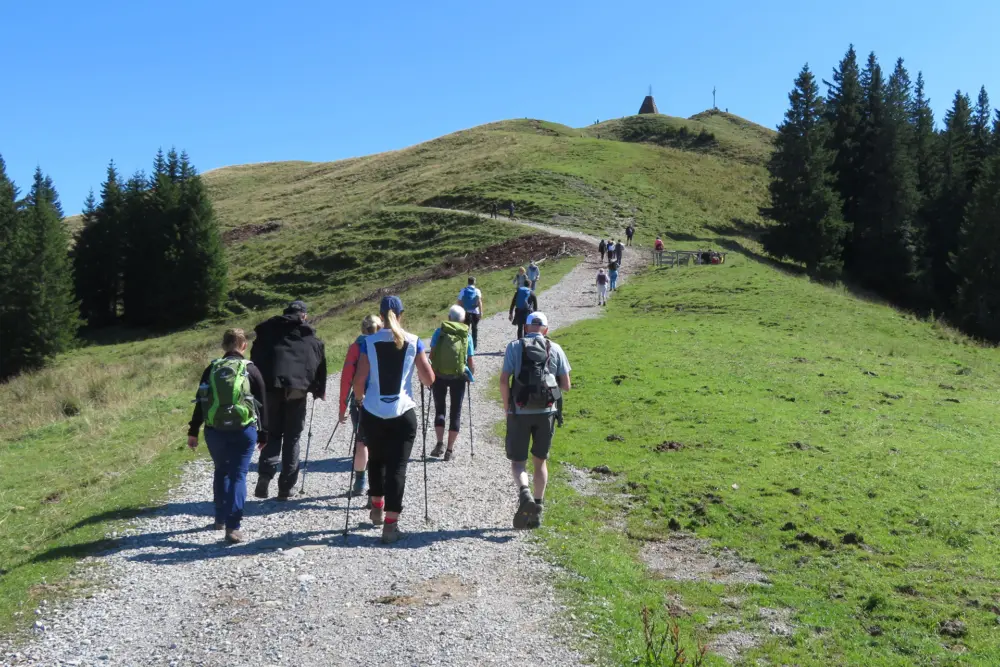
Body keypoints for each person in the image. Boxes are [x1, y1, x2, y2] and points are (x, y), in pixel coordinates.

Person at [353, 296, 435, 543]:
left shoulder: (369, 341)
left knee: (376, 460)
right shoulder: (414, 341)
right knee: (398, 466)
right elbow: (429, 379)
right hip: (402, 412)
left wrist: (360, 400)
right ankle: (390, 525)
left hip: (373, 411)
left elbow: (359, 380)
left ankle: (376, 506)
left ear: (380, 315)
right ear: (401, 314)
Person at [188, 329, 269, 544]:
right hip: (244, 431)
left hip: (215, 431)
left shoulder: (211, 368)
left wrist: (193, 430)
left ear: (224, 346)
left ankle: (220, 519)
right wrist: (264, 432)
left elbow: (201, 401)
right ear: (244, 346)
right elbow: (263, 403)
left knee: (221, 471)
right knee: (238, 475)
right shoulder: (250, 369)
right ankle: (233, 527)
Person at [499, 312, 571, 529]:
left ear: (526, 327)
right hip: (547, 412)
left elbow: (504, 381)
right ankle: (537, 508)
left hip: (519, 412)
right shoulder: (555, 348)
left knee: (518, 461)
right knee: (540, 461)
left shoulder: (514, 347)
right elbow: (566, 386)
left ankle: (524, 493)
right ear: (546, 330)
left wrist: (507, 406)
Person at [250, 300, 327, 501]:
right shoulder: (309, 336)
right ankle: (285, 488)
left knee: (273, 433)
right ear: (304, 315)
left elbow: (255, 358)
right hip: (297, 391)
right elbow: (319, 360)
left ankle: (265, 476)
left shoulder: (267, 332)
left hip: (272, 388)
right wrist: (319, 389)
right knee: (292, 437)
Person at [339, 314, 383, 500]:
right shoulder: (384, 344)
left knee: (361, 441)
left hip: (360, 400)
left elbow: (347, 378)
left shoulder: (356, 347)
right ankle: (378, 487)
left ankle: (359, 482)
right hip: (382, 399)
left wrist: (342, 408)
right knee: (380, 444)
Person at [429, 305, 476, 461]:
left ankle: (439, 443)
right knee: (455, 412)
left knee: (440, 409)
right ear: (463, 319)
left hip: (439, 375)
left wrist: (433, 371)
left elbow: (433, 354)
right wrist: (471, 375)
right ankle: (449, 451)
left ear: (449, 317)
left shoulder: (439, 331)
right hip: (458, 377)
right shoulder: (466, 334)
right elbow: (470, 360)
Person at [456, 277, 483, 350]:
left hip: (465, 313)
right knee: (474, 329)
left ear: (468, 282)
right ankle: (474, 346)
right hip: (475, 312)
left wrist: (460, 311)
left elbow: (459, 302)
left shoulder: (463, 290)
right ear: (474, 282)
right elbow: (479, 302)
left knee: (465, 329)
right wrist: (481, 312)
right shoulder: (477, 291)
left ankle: (465, 345)